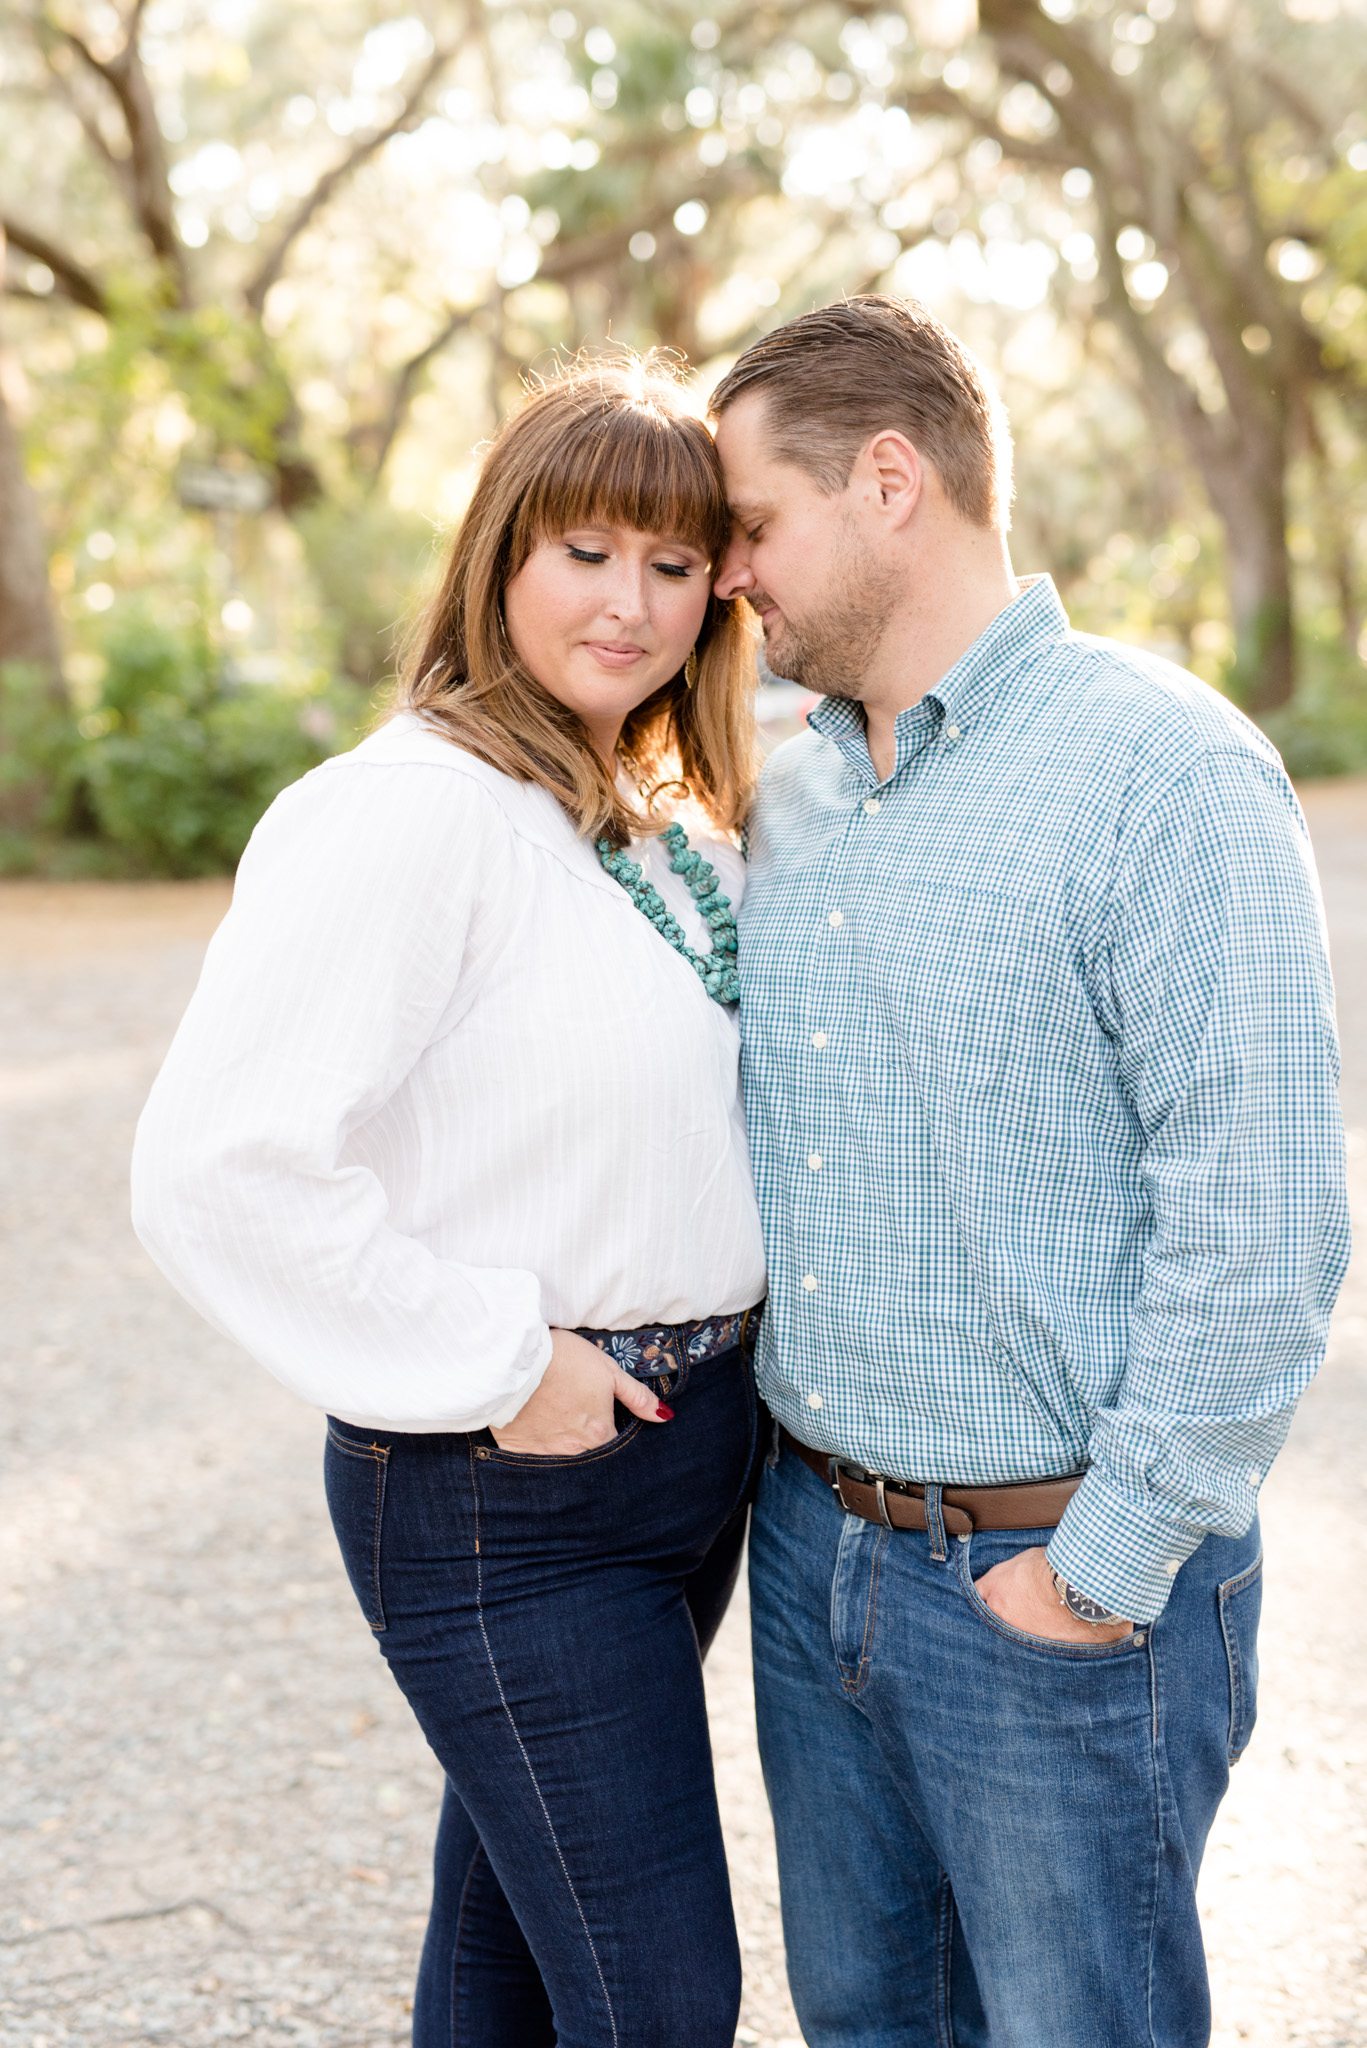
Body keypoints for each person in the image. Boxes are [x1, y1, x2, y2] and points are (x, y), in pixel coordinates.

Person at [709, 295, 1349, 2048]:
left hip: (1056, 1579)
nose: (727, 575)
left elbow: (1266, 1219)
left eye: (752, 524)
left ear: (891, 479)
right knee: (864, 2024)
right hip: (813, 1560)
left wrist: (1101, 1570)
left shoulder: (1165, 768)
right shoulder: (792, 796)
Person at [130, 357, 768, 2048]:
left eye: (675, 564)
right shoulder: (400, 818)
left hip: (684, 1454)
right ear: (497, 558)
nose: (631, 605)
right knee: (660, 2004)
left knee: (506, 1955)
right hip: (515, 1488)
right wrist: (502, 1361)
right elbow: (216, 1168)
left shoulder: (645, 817)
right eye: (586, 552)